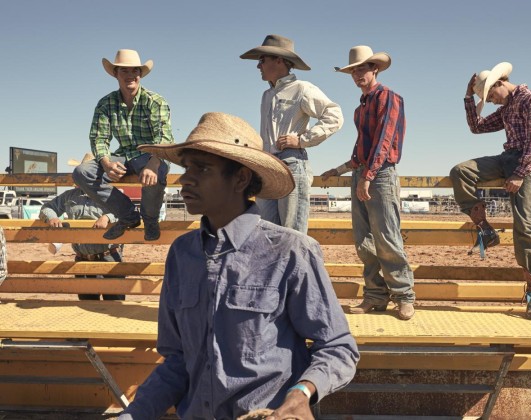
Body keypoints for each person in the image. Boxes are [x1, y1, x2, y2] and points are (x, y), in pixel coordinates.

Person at [119, 112, 359, 420]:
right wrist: (133, 414)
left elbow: (338, 347)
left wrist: (301, 394)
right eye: (186, 167)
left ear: (241, 178)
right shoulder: (182, 254)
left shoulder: (291, 252)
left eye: (202, 168)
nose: (185, 179)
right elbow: (178, 361)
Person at [449, 62, 531, 321]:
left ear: (499, 83)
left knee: (524, 223)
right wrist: (467, 97)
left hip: (529, 160)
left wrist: (520, 173)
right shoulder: (507, 106)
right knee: (461, 171)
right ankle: (485, 228)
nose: (492, 102)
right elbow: (477, 127)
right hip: (507, 157)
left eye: (491, 96)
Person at [322, 46, 416, 321]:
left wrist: (368, 176)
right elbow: (362, 147)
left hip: (379, 173)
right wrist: (341, 169)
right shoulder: (360, 108)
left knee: (387, 238)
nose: (356, 74)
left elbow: (384, 142)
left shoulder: (388, 97)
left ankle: (404, 296)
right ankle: (375, 296)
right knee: (364, 240)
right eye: (353, 71)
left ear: (375, 69)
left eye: (361, 69)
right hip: (364, 173)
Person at [240, 34, 344, 234]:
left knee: (291, 233)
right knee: (266, 230)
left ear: (279, 61)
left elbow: (335, 115)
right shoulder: (266, 95)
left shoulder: (302, 89)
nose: (258, 66)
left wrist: (302, 140)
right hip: (268, 165)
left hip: (292, 164)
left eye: (262, 60)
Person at [72, 49, 174, 242]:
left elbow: (164, 138)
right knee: (82, 172)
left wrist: (153, 163)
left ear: (140, 74)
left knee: (156, 172)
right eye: (124, 71)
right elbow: (99, 138)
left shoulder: (155, 101)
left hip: (151, 154)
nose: (130, 75)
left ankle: (150, 220)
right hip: (124, 156)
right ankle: (128, 215)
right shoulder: (105, 103)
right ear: (116, 74)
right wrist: (106, 163)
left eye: (134, 71)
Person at [40, 155, 125, 301]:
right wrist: (52, 217)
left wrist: (108, 217)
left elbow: (126, 212)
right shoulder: (69, 196)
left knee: (115, 305)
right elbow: (47, 208)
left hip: (109, 257)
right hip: (82, 260)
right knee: (86, 305)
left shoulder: (111, 193)